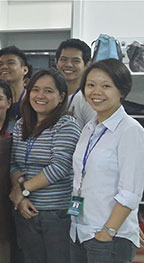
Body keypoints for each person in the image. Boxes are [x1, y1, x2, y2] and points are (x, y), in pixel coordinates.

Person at [69, 59, 144, 263]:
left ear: (122, 90)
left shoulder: (130, 131)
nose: (96, 92)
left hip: (108, 237)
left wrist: (107, 233)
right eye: (91, 85)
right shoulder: (89, 128)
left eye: (106, 86)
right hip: (79, 231)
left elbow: (130, 192)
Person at [8, 68, 81, 263]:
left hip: (56, 215)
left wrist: (21, 191)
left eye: (49, 91)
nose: (40, 95)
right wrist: (20, 197)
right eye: (35, 89)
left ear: (60, 97)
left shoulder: (66, 125)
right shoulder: (21, 124)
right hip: (26, 211)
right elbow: (15, 163)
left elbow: (60, 167)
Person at [55, 38, 97, 129]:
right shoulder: (50, 94)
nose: (68, 64)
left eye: (76, 61)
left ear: (87, 65)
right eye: (63, 59)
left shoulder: (89, 99)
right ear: (56, 62)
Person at [0, 46, 30, 119]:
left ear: (25, 70)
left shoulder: (32, 101)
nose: (4, 67)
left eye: (10, 63)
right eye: (0, 64)